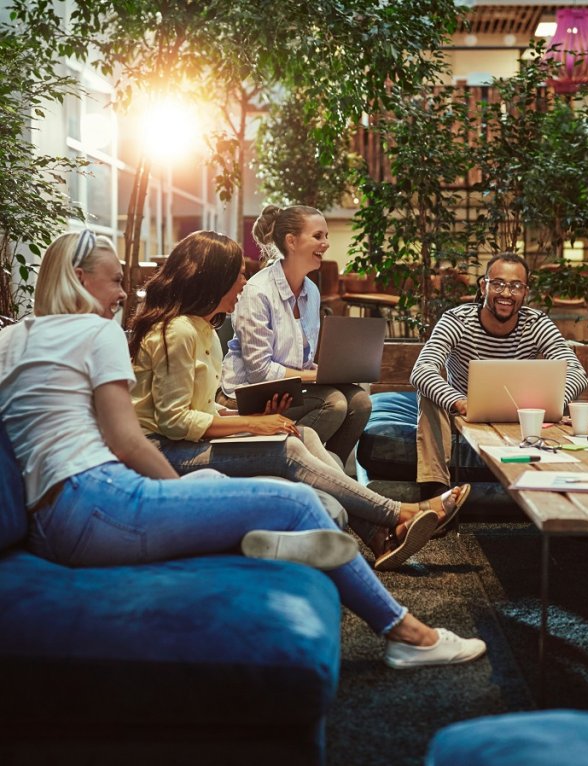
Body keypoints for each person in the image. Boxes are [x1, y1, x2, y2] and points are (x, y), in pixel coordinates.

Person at [0, 229, 486, 669]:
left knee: (211, 481)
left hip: (51, 524)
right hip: (98, 502)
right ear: (78, 278)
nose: (125, 293)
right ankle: (408, 633)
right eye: (114, 281)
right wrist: (176, 500)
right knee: (293, 500)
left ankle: (256, 540)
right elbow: (125, 440)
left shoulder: (10, 339)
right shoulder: (97, 331)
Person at [129, 230, 471, 571]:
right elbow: (174, 423)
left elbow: (201, 406)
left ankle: (382, 537)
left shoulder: (203, 329)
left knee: (303, 435)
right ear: (213, 278)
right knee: (287, 449)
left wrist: (257, 418)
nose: (244, 282)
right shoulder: (177, 332)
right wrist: (251, 424)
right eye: (238, 274)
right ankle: (400, 512)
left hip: (186, 442)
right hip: (166, 452)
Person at [411, 252, 588, 498]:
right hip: (463, 414)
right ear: (483, 287)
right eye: (498, 284)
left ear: (525, 292)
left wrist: (552, 403)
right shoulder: (456, 320)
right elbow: (422, 369)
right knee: (428, 394)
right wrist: (460, 402)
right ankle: (434, 493)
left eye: (516, 286)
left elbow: (577, 372)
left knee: (565, 397)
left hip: (522, 414)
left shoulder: (537, 324)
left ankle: (562, 494)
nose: (506, 293)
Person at [219, 204, 368, 466]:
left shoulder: (312, 292)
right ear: (292, 241)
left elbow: (303, 361)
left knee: (360, 401)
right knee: (333, 403)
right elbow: (260, 373)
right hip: (247, 392)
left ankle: (328, 468)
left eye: (326, 236)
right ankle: (292, 464)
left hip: (291, 387)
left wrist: (337, 371)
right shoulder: (257, 292)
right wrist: (319, 376)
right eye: (318, 236)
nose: (326, 243)